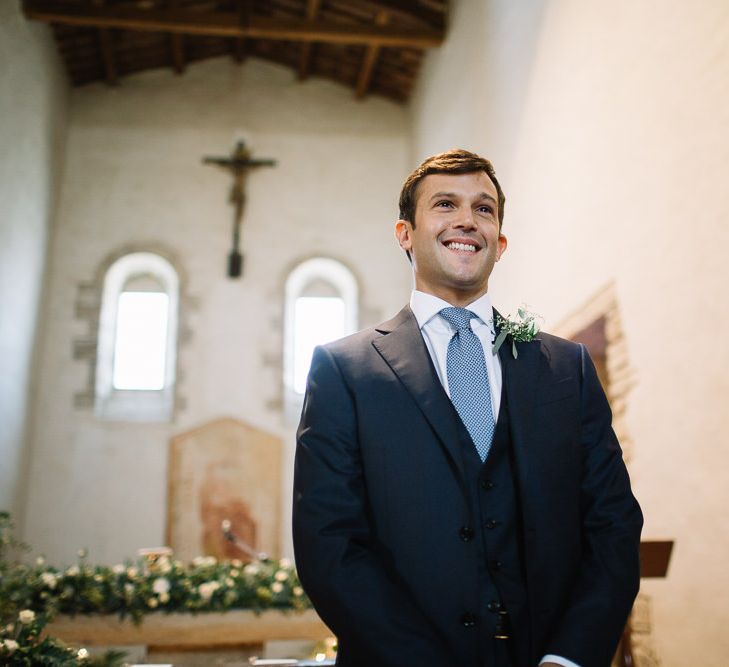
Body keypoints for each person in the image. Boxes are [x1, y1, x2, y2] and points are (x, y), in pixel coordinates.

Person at [292, 149, 643, 667]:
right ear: (404, 233)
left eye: (484, 209)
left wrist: (568, 657)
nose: (466, 220)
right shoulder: (344, 370)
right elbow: (329, 543)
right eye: (444, 204)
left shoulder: (566, 367)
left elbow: (612, 524)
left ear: (499, 243)